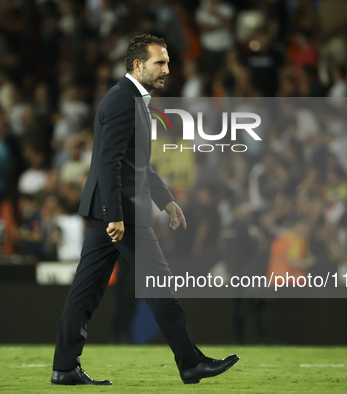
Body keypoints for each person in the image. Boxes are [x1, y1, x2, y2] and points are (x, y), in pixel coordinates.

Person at [51, 34, 238, 386]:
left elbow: (137, 165)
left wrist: (165, 200)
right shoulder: (124, 101)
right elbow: (108, 164)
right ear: (138, 65)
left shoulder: (130, 99)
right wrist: (115, 215)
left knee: (86, 289)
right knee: (159, 283)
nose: (167, 69)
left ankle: (64, 366)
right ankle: (190, 362)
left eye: (167, 62)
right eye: (160, 63)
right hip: (120, 212)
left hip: (109, 209)